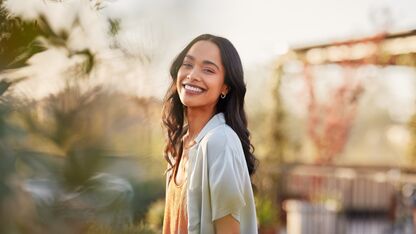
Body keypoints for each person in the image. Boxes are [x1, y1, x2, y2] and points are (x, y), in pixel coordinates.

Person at [162, 34, 258, 234]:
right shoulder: (180, 143)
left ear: (225, 87)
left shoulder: (219, 142)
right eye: (187, 65)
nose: (192, 75)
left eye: (208, 70)